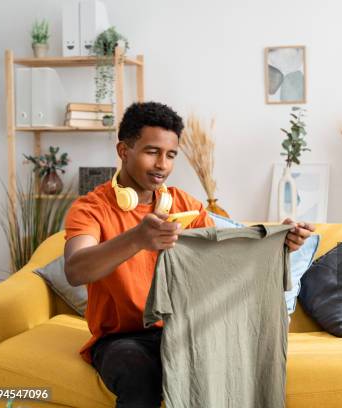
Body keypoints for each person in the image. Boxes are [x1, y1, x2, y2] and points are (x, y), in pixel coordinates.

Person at [63, 102, 315, 408]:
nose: (162, 165)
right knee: (139, 373)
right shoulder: (91, 208)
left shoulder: (187, 206)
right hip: (122, 339)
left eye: (170, 155)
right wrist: (136, 239)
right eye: (151, 151)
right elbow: (76, 270)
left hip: (189, 330)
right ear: (123, 150)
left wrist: (281, 245)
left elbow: (224, 269)